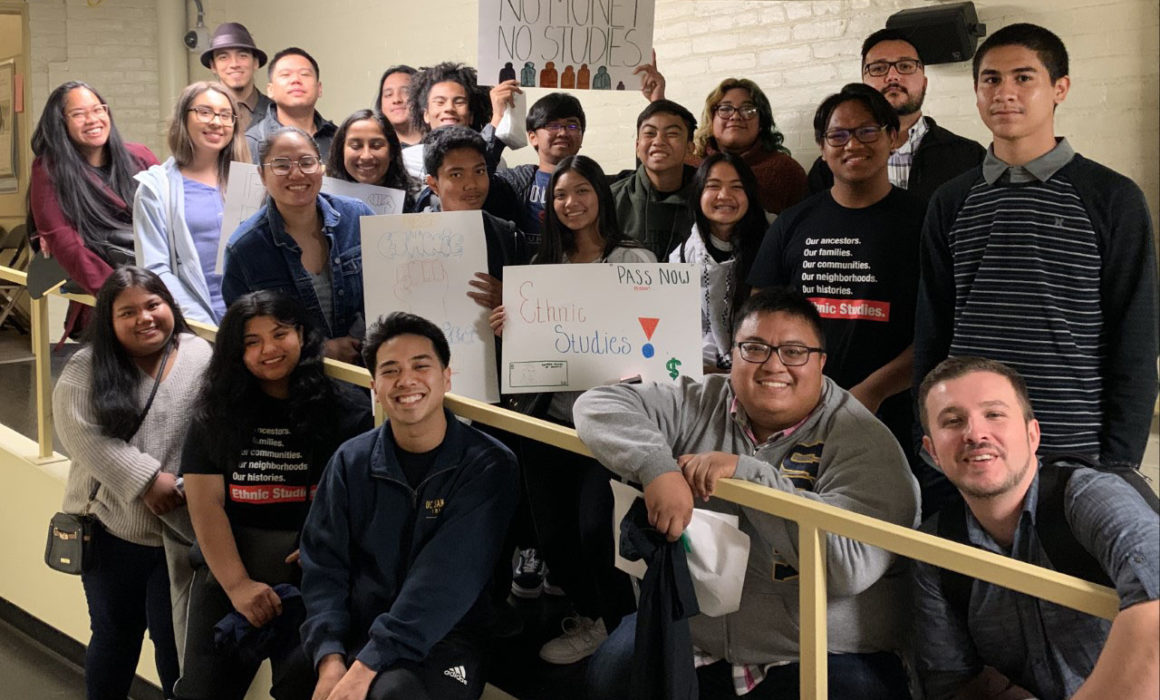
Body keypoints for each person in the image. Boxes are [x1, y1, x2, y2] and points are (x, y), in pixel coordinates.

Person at [576, 288, 919, 699]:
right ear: (732, 355)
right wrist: (657, 469)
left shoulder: (863, 440)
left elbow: (848, 568)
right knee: (608, 676)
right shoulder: (702, 398)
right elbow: (599, 403)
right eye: (754, 348)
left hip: (818, 650)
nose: (774, 365)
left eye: (794, 351)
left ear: (821, 363)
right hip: (696, 630)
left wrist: (749, 476)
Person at [913, 23, 1158, 467]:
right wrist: (928, 439)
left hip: (1075, 449)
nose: (1004, 92)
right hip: (968, 449)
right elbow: (932, 331)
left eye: (1023, 78)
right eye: (991, 79)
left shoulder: (1112, 198)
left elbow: (1136, 342)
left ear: (1059, 88)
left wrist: (1119, 464)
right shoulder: (950, 201)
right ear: (976, 91)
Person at [299, 312, 519, 700]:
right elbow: (323, 564)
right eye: (390, 370)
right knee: (293, 677)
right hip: (359, 628)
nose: (407, 380)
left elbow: (446, 580)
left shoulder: (488, 465)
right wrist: (330, 657)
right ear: (374, 387)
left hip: (448, 636)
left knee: (395, 694)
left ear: (447, 377)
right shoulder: (351, 461)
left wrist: (365, 668)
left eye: (421, 366)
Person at [913, 356, 1159, 700]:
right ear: (932, 452)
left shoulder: (1087, 497)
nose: (975, 433)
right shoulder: (933, 550)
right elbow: (953, 684)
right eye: (953, 421)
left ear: (1032, 435)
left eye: (994, 414)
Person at [749, 84, 941, 513]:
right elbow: (759, 318)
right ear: (822, 147)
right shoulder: (794, 223)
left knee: (887, 539)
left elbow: (940, 326)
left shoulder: (926, 221)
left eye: (867, 132)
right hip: (800, 414)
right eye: (838, 135)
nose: (852, 144)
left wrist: (872, 391)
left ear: (894, 137)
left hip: (892, 415)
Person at [491, 155, 652, 665]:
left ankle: (622, 627)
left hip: (609, 428)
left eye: (582, 191)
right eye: (561, 195)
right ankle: (591, 616)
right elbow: (540, 348)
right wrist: (512, 329)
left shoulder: (634, 261)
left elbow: (654, 339)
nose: (571, 203)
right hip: (549, 423)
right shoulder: (543, 269)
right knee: (554, 533)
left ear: (601, 196)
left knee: (594, 531)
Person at [175, 291, 371, 700]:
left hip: (313, 581)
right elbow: (204, 504)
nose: (269, 349)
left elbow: (362, 496)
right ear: (235, 352)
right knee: (201, 691)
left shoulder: (347, 409)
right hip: (230, 570)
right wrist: (239, 586)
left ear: (301, 334)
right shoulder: (214, 412)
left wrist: (326, 542)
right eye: (251, 341)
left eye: (280, 333)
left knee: (299, 688)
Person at [52, 266, 213, 700]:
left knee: (173, 644)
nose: (144, 317)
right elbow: (80, 433)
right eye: (128, 312)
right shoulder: (87, 368)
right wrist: (144, 480)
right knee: (114, 637)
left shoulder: (200, 355)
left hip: (178, 535)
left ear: (169, 307)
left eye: (153, 305)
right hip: (111, 531)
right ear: (109, 320)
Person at [223, 126, 373, 363]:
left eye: (306, 162)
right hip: (292, 381)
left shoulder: (358, 217)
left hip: (365, 372)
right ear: (262, 175)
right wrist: (321, 350)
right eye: (282, 165)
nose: (296, 174)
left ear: (321, 168)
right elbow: (244, 337)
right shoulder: (244, 249)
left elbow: (386, 293)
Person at [29, 81, 160, 336]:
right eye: (78, 114)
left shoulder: (140, 157)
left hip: (153, 275)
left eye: (98, 109)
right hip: (104, 285)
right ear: (61, 122)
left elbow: (168, 219)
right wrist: (118, 293)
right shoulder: (49, 169)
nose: (92, 119)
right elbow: (63, 238)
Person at [807, 28, 985, 208]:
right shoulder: (831, 166)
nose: (892, 77)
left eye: (905, 66)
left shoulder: (969, 157)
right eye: (879, 68)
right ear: (863, 83)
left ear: (924, 82)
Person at [133, 81, 249, 326]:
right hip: (195, 325)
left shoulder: (249, 181)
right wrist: (204, 327)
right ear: (183, 118)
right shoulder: (155, 188)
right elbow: (156, 268)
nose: (216, 122)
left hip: (252, 321)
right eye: (205, 112)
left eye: (226, 115)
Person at [670, 153, 766, 373]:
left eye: (736, 187)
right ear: (698, 194)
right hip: (703, 369)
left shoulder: (772, 242)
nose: (724, 195)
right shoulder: (683, 255)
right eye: (713, 186)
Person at [690, 78, 807, 215]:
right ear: (711, 119)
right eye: (725, 108)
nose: (735, 116)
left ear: (762, 123)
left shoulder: (786, 171)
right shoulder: (690, 166)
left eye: (748, 109)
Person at [493, 92, 586, 249]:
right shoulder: (514, 182)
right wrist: (497, 118)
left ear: (581, 136)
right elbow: (475, 179)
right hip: (526, 270)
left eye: (572, 126)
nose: (563, 132)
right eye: (552, 125)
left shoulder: (597, 184)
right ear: (532, 137)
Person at [610, 99, 698, 260]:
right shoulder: (611, 200)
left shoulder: (707, 198)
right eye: (650, 133)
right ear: (637, 146)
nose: (659, 141)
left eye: (671, 134)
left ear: (689, 148)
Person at [403, 61, 522, 180]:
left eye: (459, 102)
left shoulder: (499, 162)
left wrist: (500, 115)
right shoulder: (408, 160)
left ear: (471, 116)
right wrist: (496, 119)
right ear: (426, 115)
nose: (449, 108)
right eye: (440, 102)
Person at [245, 47, 337, 163]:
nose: (295, 80)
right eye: (285, 74)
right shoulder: (251, 143)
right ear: (270, 90)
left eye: (304, 74)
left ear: (319, 89)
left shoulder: (338, 140)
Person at [326, 109, 414, 208]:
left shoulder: (416, 199)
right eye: (356, 146)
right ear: (341, 151)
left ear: (392, 151)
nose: (366, 156)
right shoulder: (323, 200)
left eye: (376, 146)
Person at [200, 22, 271, 134]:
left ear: (256, 62)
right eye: (223, 57)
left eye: (242, 56)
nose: (234, 64)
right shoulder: (200, 115)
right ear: (213, 66)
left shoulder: (276, 112)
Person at [375, 65, 421, 147]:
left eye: (406, 92)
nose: (396, 100)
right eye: (388, 94)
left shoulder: (441, 144)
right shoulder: (376, 150)